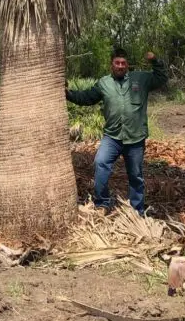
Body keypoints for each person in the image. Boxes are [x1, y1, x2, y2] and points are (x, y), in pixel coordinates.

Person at [66, 48, 167, 215]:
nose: (120, 66)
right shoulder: (104, 83)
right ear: (111, 65)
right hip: (112, 137)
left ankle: (137, 210)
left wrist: (155, 61)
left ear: (128, 64)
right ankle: (103, 203)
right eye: (117, 63)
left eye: (123, 63)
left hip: (135, 138)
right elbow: (86, 97)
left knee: (135, 174)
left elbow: (162, 78)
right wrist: (68, 94)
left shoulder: (140, 79)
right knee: (100, 163)